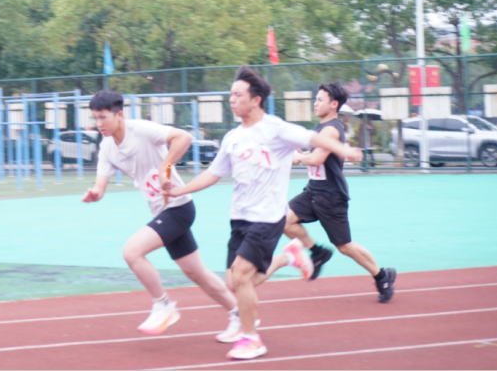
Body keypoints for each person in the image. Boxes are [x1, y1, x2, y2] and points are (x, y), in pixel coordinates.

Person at [161, 67, 363, 361]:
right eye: (230, 95)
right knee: (234, 283)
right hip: (239, 217)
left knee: (242, 275)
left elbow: (314, 138)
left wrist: (345, 151)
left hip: (268, 217)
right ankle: (288, 257)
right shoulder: (232, 137)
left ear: (255, 100)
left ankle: (251, 338)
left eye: (237, 95)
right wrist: (179, 190)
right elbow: (212, 174)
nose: (231, 100)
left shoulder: (275, 129)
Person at [82, 90, 239, 339]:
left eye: (103, 117)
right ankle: (239, 315)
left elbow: (184, 137)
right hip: (161, 210)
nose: (99, 123)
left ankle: (163, 305)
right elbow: (100, 187)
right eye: (95, 118)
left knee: (132, 252)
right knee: (196, 272)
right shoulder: (107, 148)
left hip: (178, 208)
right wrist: (94, 194)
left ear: (119, 115)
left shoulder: (140, 130)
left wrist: (164, 166)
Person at [254, 82, 396, 301]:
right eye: (316, 99)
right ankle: (318, 253)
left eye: (320, 100)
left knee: (345, 247)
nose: (315, 103)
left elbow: (317, 159)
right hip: (313, 191)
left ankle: (381, 275)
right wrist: (300, 154)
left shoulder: (331, 129)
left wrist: (296, 156)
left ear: (333, 104)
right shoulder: (321, 128)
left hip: (331, 197)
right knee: (283, 220)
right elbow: (314, 158)